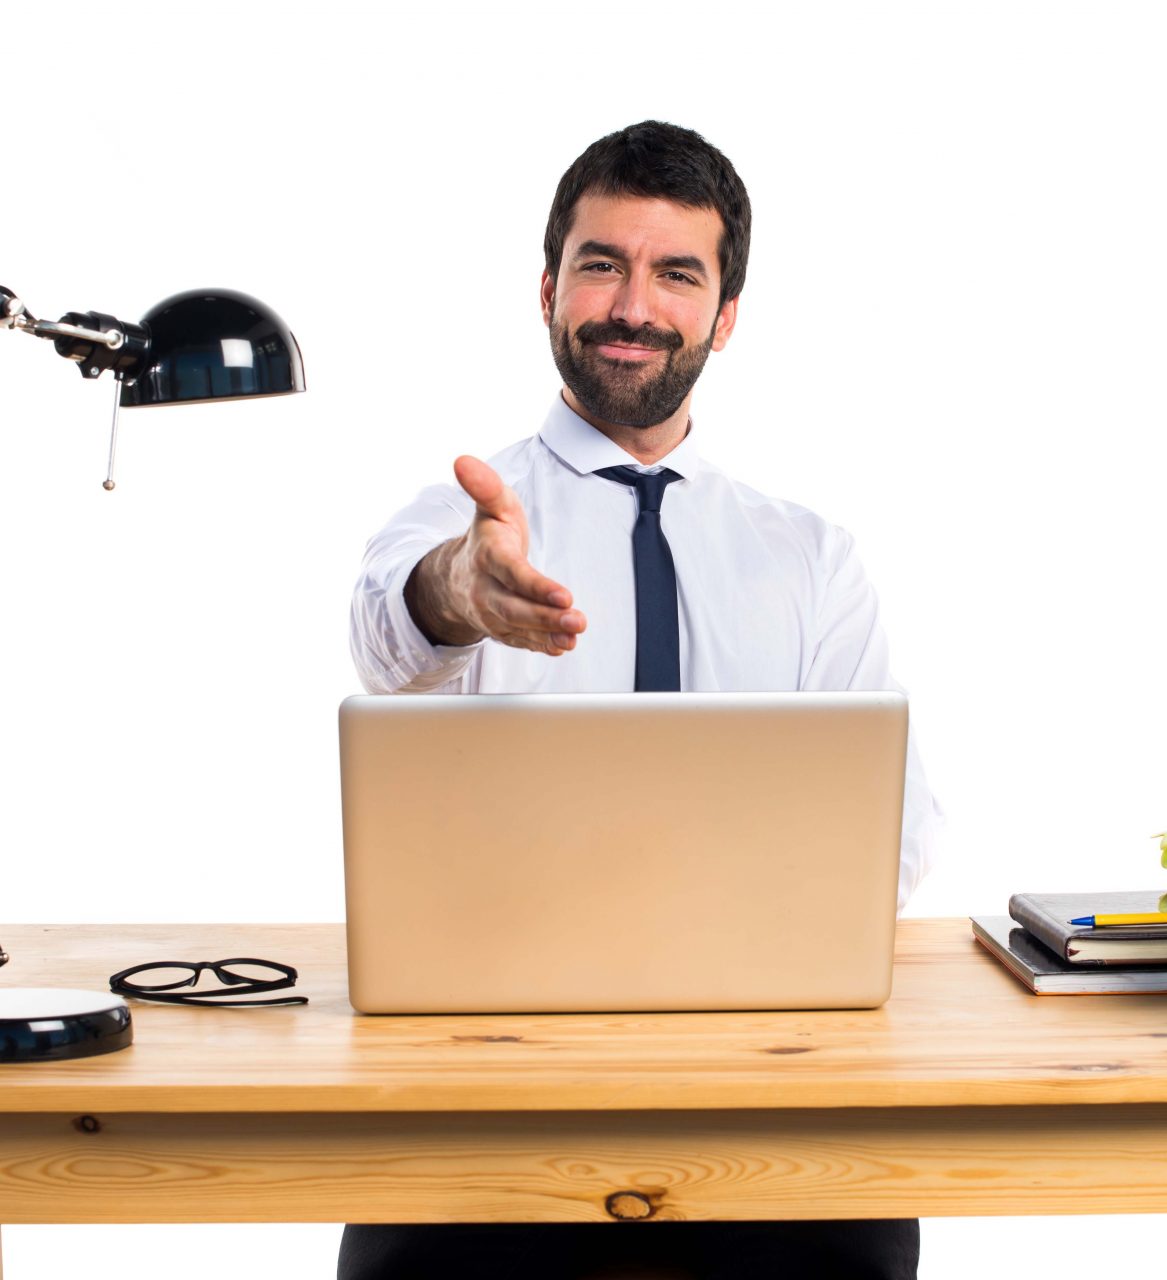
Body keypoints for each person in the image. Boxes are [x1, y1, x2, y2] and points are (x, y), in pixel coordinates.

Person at [344, 120, 939, 1280]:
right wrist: (463, 591)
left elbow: (891, 838)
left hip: (763, 1086)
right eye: (601, 264)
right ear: (548, 288)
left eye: (676, 273)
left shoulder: (808, 555)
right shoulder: (465, 514)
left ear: (722, 316)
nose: (632, 304)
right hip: (485, 1087)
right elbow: (388, 629)